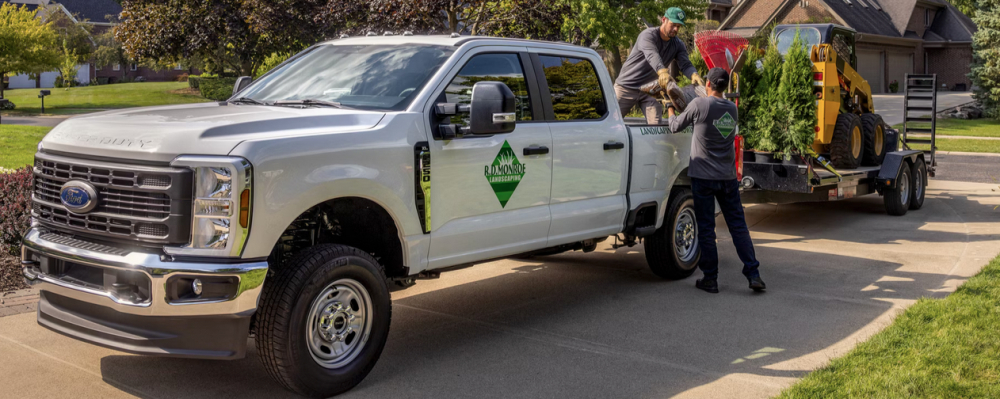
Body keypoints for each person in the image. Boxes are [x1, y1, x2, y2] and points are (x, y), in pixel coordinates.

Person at [667, 67, 765, 294]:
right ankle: (753, 274)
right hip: (728, 178)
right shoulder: (732, 108)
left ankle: (710, 279)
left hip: (703, 177)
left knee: (707, 229)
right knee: (738, 227)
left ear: (708, 84)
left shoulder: (700, 105)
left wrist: (670, 107)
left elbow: (674, 126)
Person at [615, 7, 704, 125]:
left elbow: (685, 64)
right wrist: (662, 72)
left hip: (651, 90)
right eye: (673, 24)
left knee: (655, 127)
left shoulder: (678, 44)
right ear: (664, 20)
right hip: (626, 87)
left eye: (679, 26)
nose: (675, 29)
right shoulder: (648, 35)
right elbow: (652, 55)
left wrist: (693, 74)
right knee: (611, 122)